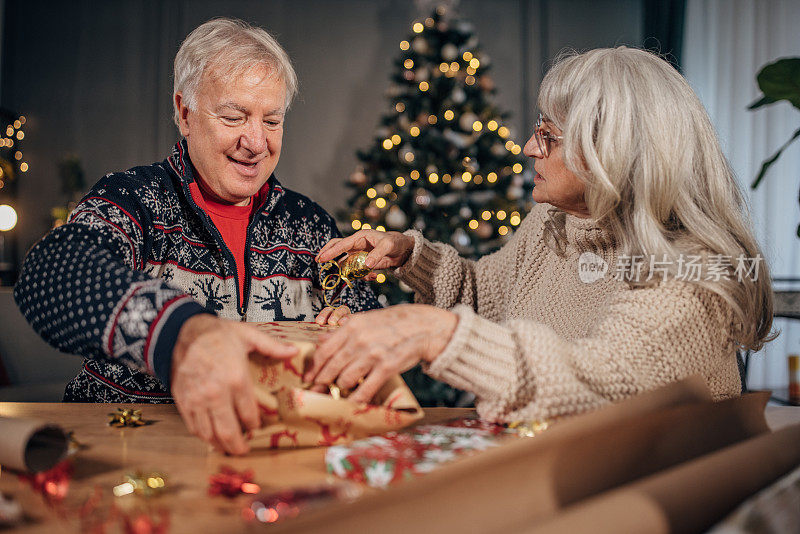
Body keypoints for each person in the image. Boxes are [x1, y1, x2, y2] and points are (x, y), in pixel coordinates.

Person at [309, 47, 774, 423]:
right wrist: (411, 254)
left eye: (547, 136)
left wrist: (438, 333)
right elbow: (483, 294)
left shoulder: (692, 272)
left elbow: (595, 382)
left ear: (608, 151)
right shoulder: (552, 224)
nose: (530, 148)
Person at [14, 18, 378, 454]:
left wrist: (355, 328)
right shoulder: (135, 199)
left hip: (268, 455)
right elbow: (49, 275)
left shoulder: (310, 224)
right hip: (128, 449)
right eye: (233, 116)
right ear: (184, 113)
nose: (256, 142)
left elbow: (366, 318)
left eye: (272, 120)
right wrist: (182, 334)